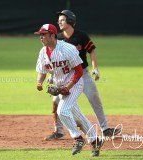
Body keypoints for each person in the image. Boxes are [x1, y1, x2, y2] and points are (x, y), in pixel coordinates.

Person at [44, 10, 121, 141]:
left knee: (94, 98)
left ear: (70, 21)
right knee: (55, 101)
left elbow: (92, 50)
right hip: (65, 76)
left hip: (83, 74)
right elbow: (53, 58)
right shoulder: (59, 38)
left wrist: (95, 67)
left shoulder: (81, 36)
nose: (59, 22)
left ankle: (105, 129)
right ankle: (59, 131)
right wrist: (52, 74)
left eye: (62, 20)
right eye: (59, 20)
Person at [35, 24, 103, 157]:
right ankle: (95, 140)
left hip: (75, 84)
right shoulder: (43, 52)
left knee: (62, 111)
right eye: (40, 35)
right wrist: (39, 82)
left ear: (52, 35)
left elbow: (78, 72)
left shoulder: (67, 49)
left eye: (44, 34)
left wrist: (68, 87)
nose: (41, 37)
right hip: (61, 87)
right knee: (79, 116)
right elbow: (42, 71)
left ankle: (77, 139)